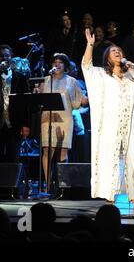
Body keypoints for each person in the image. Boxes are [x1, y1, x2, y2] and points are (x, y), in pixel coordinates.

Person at [82, 28, 134, 207]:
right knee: (108, 157)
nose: (118, 52)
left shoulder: (132, 76)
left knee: (132, 155)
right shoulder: (101, 75)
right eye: (113, 51)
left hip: (130, 125)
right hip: (110, 125)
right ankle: (109, 196)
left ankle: (133, 196)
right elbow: (86, 66)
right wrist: (90, 45)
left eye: (120, 51)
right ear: (107, 58)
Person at [39, 53, 87, 184]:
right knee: (47, 150)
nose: (57, 64)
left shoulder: (72, 81)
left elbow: (79, 102)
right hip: (47, 119)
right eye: (55, 62)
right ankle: (47, 184)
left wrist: (89, 98)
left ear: (65, 65)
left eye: (60, 62)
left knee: (63, 150)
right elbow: (39, 100)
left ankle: (62, 182)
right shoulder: (45, 80)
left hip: (65, 119)